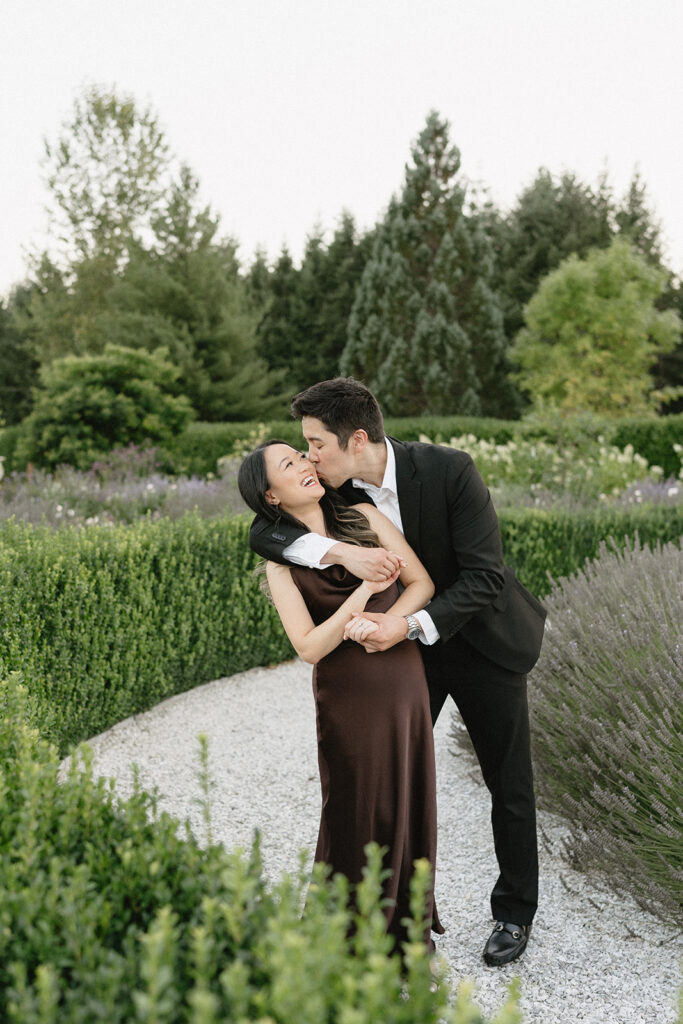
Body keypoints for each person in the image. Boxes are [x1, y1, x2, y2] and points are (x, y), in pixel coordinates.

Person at [248, 379, 547, 967]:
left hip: (478, 641)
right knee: (382, 779)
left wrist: (405, 625)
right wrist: (343, 555)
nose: (309, 458)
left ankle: (514, 912)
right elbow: (266, 531)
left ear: (356, 439)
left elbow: (485, 578)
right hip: (404, 662)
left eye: (315, 445)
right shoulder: (339, 492)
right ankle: (375, 914)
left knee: (508, 783)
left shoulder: (451, 470)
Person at [237, 439, 444, 953]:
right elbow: (308, 647)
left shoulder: (364, 516)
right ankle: (348, 942)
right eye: (290, 464)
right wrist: (364, 592)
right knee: (353, 808)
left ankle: (411, 936)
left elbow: (422, 584)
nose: (306, 464)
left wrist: (392, 623)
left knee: (409, 799)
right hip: (346, 696)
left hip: (402, 678)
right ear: (272, 496)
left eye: (303, 456)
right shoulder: (279, 560)